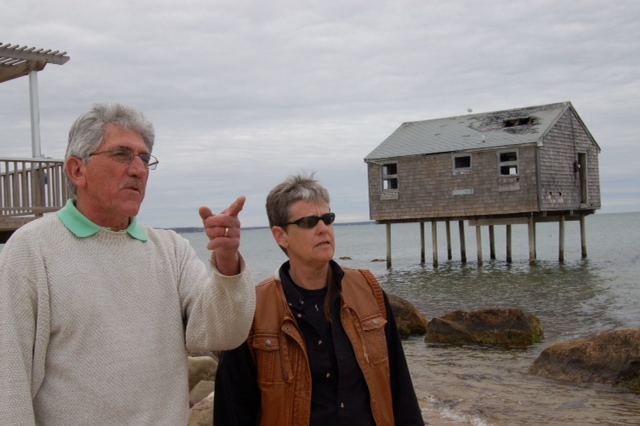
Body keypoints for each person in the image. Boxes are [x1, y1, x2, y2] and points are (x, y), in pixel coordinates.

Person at [0, 103, 256, 425]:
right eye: (122, 155)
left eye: (145, 159)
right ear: (77, 170)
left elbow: (222, 334)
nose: (138, 169)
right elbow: (9, 381)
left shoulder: (171, 250)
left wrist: (227, 262)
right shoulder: (31, 249)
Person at [214, 173, 424, 425]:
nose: (323, 228)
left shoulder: (369, 291)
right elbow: (233, 410)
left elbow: (401, 389)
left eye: (327, 219)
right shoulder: (253, 309)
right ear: (281, 236)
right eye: (310, 222)